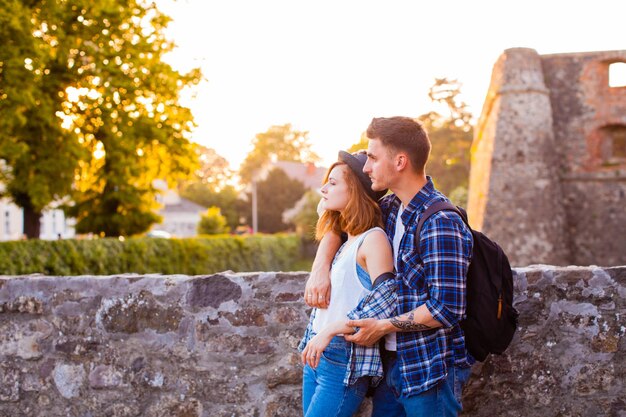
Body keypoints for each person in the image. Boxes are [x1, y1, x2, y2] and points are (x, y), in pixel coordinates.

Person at [305, 116, 474, 417]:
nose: (367, 167)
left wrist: (383, 326)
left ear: (400, 161)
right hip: (390, 366)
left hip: (427, 368)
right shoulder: (391, 209)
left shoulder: (440, 222)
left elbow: (446, 308)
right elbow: (337, 218)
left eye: (372, 157)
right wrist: (320, 267)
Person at [299, 150, 396, 417]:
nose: (323, 189)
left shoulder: (373, 239)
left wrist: (330, 331)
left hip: (344, 362)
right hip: (316, 353)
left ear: (353, 189)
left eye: (332, 183)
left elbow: (388, 298)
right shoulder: (347, 238)